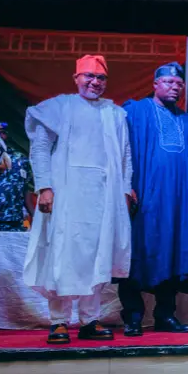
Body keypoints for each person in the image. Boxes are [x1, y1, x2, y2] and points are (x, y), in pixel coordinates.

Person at [23, 55, 133, 344]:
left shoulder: (115, 113)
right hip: (68, 192)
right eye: (89, 76)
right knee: (64, 254)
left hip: (105, 196)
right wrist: (44, 186)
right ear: (76, 78)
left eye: (100, 78)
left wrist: (126, 189)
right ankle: (59, 321)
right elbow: (40, 148)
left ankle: (90, 320)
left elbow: (125, 156)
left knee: (98, 256)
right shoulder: (61, 106)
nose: (95, 82)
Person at [118, 62, 188, 336]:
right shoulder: (135, 111)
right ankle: (133, 316)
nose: (174, 88)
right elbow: (121, 151)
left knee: (172, 254)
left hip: (176, 203)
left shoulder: (186, 121)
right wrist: (126, 186)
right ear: (155, 84)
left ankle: (165, 315)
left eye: (179, 85)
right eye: (168, 83)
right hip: (144, 199)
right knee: (137, 252)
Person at [0, 122, 35, 231]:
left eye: (1, 133)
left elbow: (25, 189)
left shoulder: (20, 160)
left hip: (13, 220)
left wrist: (33, 214)